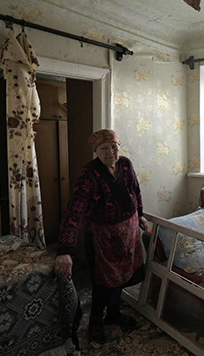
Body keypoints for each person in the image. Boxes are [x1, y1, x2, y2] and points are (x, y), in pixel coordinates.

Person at [54, 129, 148, 344]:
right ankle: (95, 322)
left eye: (114, 147)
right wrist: (65, 250)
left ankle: (113, 314)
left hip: (129, 231)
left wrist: (141, 213)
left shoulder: (126, 164)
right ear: (95, 151)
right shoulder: (89, 173)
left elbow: (135, 189)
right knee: (102, 281)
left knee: (122, 276)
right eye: (104, 148)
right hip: (102, 237)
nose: (110, 152)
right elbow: (75, 209)